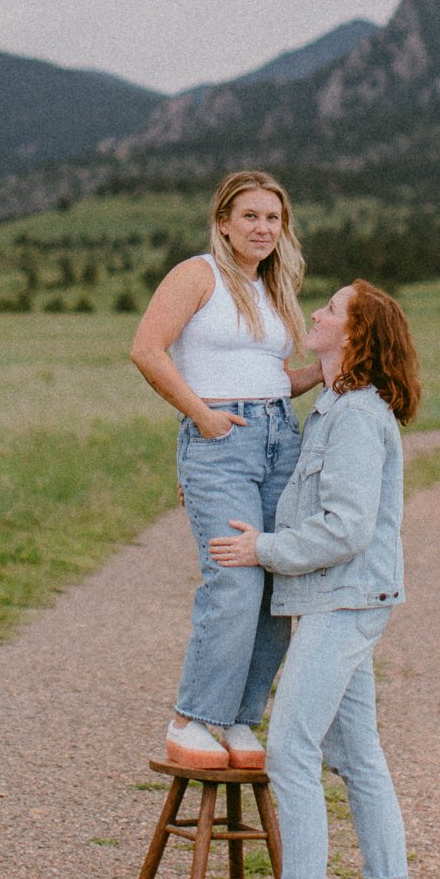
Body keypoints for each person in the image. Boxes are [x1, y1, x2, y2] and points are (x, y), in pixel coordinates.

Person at [209, 278, 419, 879]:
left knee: (289, 751)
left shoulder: (357, 416)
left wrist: (260, 550)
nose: (318, 315)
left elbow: (347, 527)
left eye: (330, 310)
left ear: (352, 336)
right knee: (357, 755)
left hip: (344, 600)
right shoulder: (333, 407)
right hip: (341, 599)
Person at [130, 171, 321, 770]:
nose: (263, 227)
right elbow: (147, 349)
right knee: (234, 581)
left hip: (277, 436)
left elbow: (269, 379)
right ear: (223, 223)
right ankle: (191, 720)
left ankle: (239, 720)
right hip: (223, 439)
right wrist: (201, 420)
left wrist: (322, 373)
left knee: (277, 582)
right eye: (251, 217)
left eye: (274, 218)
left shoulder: (275, 287)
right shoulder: (198, 275)